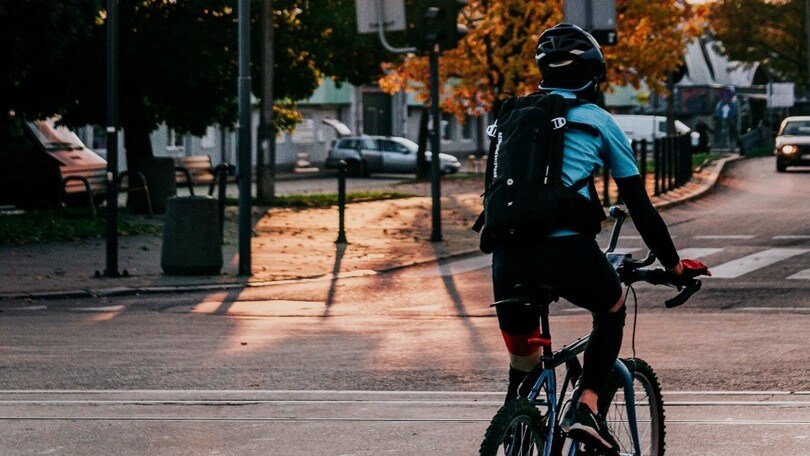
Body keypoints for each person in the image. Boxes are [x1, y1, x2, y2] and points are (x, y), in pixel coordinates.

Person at [491, 23, 711, 453]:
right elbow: (640, 206)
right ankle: (587, 408)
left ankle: (513, 425)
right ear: (595, 76)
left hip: (506, 257)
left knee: (524, 363)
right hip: (566, 252)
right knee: (610, 309)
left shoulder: (509, 118)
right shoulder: (598, 121)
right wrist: (674, 265)